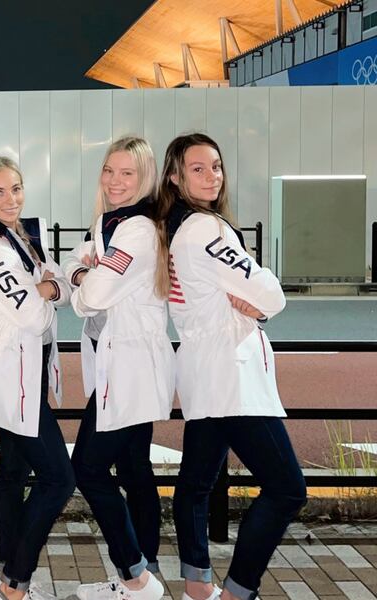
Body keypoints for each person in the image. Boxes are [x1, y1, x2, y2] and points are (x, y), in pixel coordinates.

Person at [157, 133, 307, 600]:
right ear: (175, 177)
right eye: (198, 168)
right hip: (231, 375)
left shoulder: (178, 228)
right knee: (287, 489)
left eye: (216, 166)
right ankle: (238, 592)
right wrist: (261, 296)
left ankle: (197, 586)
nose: (212, 176)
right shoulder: (206, 229)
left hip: (206, 372)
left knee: (196, 484)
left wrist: (251, 298)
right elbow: (270, 295)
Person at [65, 136, 172, 600]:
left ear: (145, 178)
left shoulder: (136, 230)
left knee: (87, 469)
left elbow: (91, 296)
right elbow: (74, 262)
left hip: (129, 366)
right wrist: (83, 271)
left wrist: (82, 276)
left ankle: (135, 575)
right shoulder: (108, 223)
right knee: (133, 470)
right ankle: (144, 574)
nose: (115, 181)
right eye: (109, 170)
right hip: (121, 362)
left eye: (127, 173)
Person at [0, 156, 75, 600]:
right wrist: (47, 290)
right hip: (12, 375)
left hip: (28, 369)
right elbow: (34, 316)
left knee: (13, 471)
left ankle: (7, 570)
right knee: (59, 479)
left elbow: (64, 285)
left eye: (15, 188)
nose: (10, 199)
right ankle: (15, 581)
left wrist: (49, 289)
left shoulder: (22, 237)